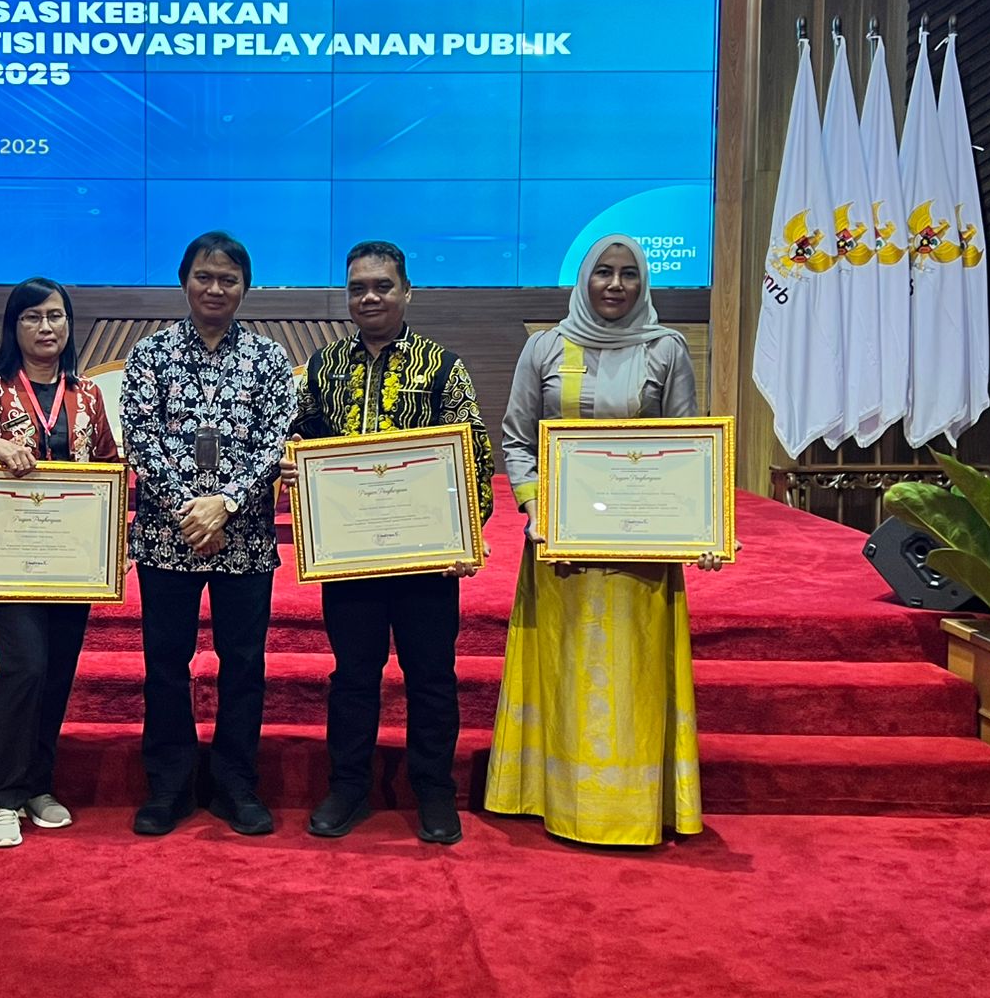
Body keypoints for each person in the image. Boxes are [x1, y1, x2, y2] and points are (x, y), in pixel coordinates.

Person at [484, 234, 725, 846]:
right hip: (559, 546)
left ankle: (632, 807)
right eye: (603, 272)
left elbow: (687, 444)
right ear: (584, 278)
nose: (616, 285)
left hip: (640, 552)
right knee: (563, 671)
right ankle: (551, 797)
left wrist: (703, 527)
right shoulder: (545, 348)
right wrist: (535, 508)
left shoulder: (665, 349)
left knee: (632, 676)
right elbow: (517, 439)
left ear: (643, 283)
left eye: (628, 274)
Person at [283, 241, 494, 845]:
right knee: (353, 676)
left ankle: (434, 791)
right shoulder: (322, 369)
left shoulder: (443, 366)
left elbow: (474, 455)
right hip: (351, 558)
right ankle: (348, 786)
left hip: (427, 559)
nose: (369, 297)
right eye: (358, 288)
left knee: (431, 677)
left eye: (382, 286)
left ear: (407, 292)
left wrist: (465, 536)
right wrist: (294, 467)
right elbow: (298, 438)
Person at [122, 231, 297, 837]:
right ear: (184, 281)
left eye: (228, 279)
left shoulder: (270, 359)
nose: (215, 288)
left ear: (245, 287)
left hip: (243, 539)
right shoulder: (150, 355)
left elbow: (275, 442)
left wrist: (224, 505)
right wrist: (189, 512)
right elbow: (140, 439)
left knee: (243, 664)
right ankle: (168, 786)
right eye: (204, 276)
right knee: (166, 663)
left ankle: (235, 785)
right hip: (166, 538)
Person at [0, 278, 122, 849]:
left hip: (73, 562)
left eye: (55, 316)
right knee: (25, 668)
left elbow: (110, 467)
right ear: (13, 326)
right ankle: (5, 795)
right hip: (7, 560)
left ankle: (40, 785)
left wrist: (114, 542)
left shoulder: (88, 395)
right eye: (33, 317)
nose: (46, 327)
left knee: (58, 673)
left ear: (69, 324)